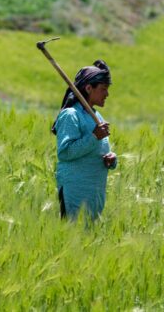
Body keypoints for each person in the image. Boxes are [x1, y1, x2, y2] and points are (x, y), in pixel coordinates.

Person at [52, 60, 117, 221]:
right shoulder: (71, 115)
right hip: (75, 192)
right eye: (103, 89)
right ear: (89, 88)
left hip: (94, 193)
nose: (107, 94)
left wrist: (111, 159)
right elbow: (65, 152)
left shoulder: (97, 116)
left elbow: (96, 149)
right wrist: (94, 136)